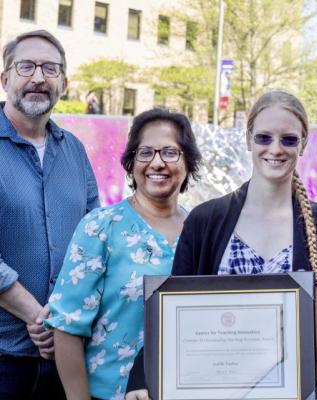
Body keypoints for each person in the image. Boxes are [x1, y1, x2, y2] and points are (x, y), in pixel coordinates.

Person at [125, 90, 317, 400]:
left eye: (288, 139)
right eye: (263, 138)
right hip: (213, 389)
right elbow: (172, 311)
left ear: (304, 143)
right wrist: (142, 375)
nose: (275, 149)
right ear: (248, 140)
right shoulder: (206, 221)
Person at [44, 109, 201, 400]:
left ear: (188, 161)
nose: (157, 162)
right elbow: (66, 327)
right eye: (145, 153)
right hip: (109, 393)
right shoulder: (101, 227)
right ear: (131, 163)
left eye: (170, 152)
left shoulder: (200, 231)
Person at [0, 30, 99, 399]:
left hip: (67, 356)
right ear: (5, 78)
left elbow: (94, 238)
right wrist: (36, 316)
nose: (38, 77)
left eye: (50, 69)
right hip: (5, 359)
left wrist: (62, 318)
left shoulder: (73, 150)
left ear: (64, 83)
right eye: (26, 66)